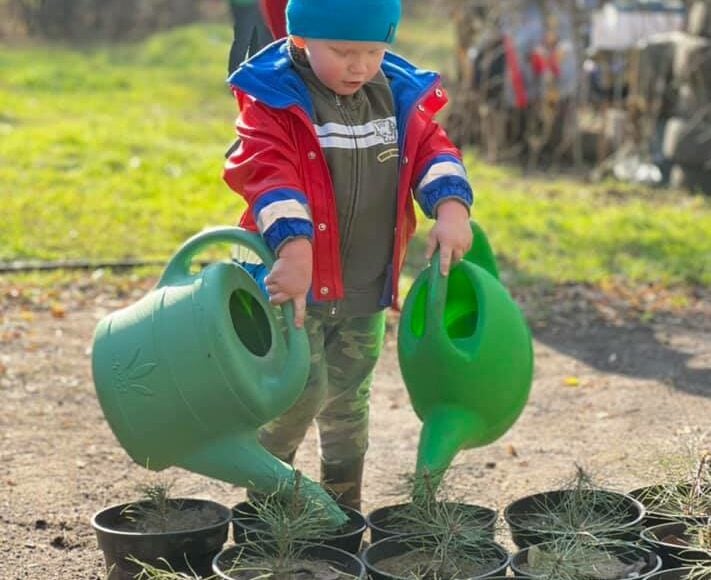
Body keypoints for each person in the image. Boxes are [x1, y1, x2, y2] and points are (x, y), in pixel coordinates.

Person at [223, 0, 474, 510]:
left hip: (365, 285)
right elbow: (267, 172)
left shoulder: (397, 92)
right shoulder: (275, 98)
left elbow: (433, 148)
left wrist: (451, 207)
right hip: (293, 288)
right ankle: (269, 509)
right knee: (295, 395)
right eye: (342, 52)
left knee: (348, 401)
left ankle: (340, 509)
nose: (359, 65)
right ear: (300, 41)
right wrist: (293, 247)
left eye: (374, 51)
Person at [227, 0, 273, 74]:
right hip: (246, 4)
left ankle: (251, 75)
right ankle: (235, 76)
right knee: (243, 40)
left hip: (258, 4)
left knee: (256, 40)